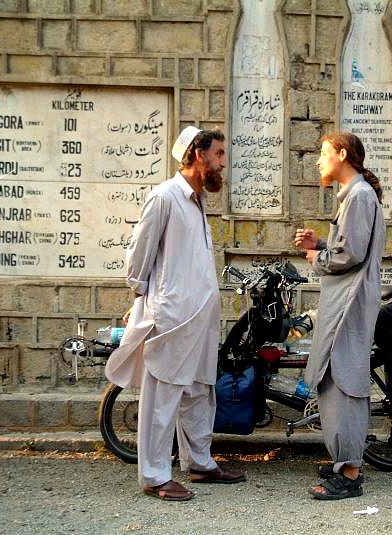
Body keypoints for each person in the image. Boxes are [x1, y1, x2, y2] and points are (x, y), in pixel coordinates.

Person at [105, 126, 245, 502]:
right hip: (171, 316)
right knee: (162, 396)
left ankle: (200, 462)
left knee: (199, 391)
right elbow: (139, 257)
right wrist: (143, 300)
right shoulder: (165, 197)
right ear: (198, 154)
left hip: (200, 318)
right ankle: (154, 476)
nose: (223, 163)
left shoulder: (197, 201)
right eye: (218, 154)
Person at [294, 132, 385, 500]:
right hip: (345, 301)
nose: (318, 160)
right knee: (335, 379)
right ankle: (344, 461)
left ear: (343, 155)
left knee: (344, 381)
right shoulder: (355, 195)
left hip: (350, 304)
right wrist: (320, 244)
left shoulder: (359, 196)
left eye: (324, 153)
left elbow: (351, 255)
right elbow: (347, 246)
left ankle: (349, 474)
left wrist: (318, 258)